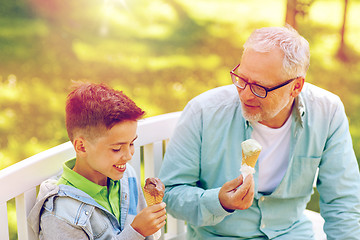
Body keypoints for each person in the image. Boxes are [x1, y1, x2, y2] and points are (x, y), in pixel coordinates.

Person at [158, 26, 360, 239]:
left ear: (296, 87)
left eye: (259, 88)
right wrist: (218, 202)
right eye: (241, 79)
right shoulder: (203, 112)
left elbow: (343, 199)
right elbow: (170, 193)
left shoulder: (327, 112)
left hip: (291, 234)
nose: (245, 95)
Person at [28, 82, 167, 239]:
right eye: (116, 149)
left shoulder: (128, 175)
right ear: (81, 147)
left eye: (132, 143)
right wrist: (136, 232)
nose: (128, 156)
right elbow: (139, 232)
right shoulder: (61, 215)